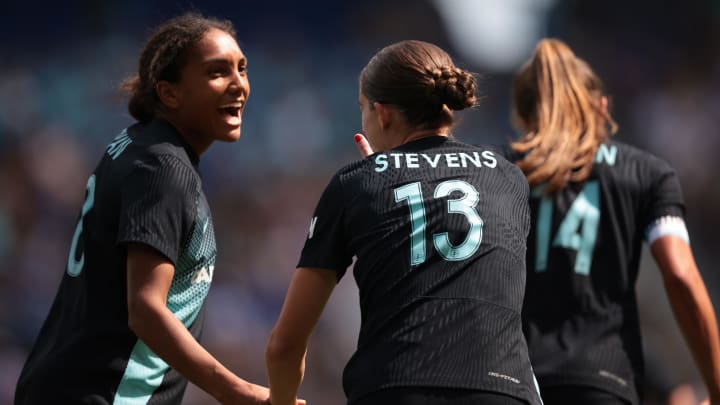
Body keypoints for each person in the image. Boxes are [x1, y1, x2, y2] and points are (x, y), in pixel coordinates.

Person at [14, 12, 303, 405]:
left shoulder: (137, 145)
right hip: (102, 393)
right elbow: (146, 309)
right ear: (170, 93)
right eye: (218, 72)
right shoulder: (164, 168)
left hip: (66, 384)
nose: (239, 85)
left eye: (242, 69)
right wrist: (239, 392)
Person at [266, 40, 543, 405]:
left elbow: (285, 345)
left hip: (396, 387)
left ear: (382, 114)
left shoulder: (357, 183)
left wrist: (281, 401)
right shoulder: (509, 179)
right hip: (503, 389)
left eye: (363, 110)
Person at [505, 39, 720, 404]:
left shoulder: (499, 171)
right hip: (604, 380)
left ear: (523, 118)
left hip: (515, 380)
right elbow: (681, 275)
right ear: (602, 108)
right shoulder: (646, 171)